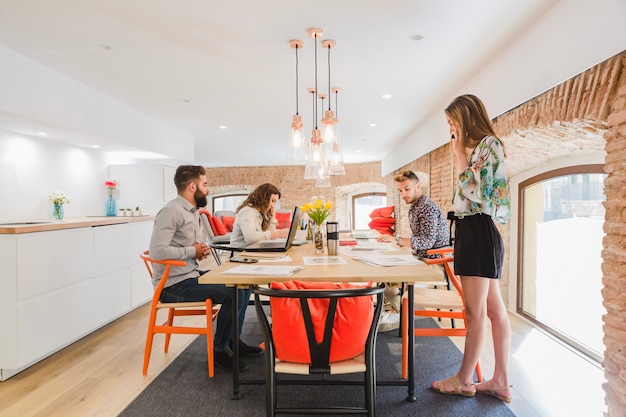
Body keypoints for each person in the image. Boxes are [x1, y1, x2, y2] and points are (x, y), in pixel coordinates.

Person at [430, 94, 512, 402]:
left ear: (466, 117)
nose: (451, 128)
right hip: (475, 231)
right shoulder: (481, 148)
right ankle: (500, 380)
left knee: (475, 312)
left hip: (477, 230)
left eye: (452, 121)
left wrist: (458, 154)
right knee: (492, 310)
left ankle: (464, 380)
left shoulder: (488, 145)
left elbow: (478, 193)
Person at [149, 165, 263, 372]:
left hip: (190, 275)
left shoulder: (191, 212)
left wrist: (199, 250)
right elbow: (157, 252)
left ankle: (233, 341)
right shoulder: (171, 211)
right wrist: (192, 251)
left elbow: (186, 246)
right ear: (193, 186)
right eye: (205, 184)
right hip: (173, 286)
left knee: (243, 283)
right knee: (233, 292)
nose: (208, 189)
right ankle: (220, 350)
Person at [376, 170, 450, 331]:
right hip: (422, 257)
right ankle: (394, 308)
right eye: (400, 191)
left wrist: (397, 240)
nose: (403, 194)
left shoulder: (426, 208)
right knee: (383, 267)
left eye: (407, 189)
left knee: (385, 272)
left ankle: (400, 313)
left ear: (418, 186)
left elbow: (427, 242)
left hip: (436, 261)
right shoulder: (415, 207)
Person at [229, 183, 289, 247]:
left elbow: (270, 234)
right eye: (272, 201)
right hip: (241, 254)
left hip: (254, 250)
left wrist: (272, 215)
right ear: (263, 198)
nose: (273, 205)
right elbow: (250, 238)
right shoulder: (247, 211)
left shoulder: (259, 213)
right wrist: (278, 234)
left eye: (275, 203)